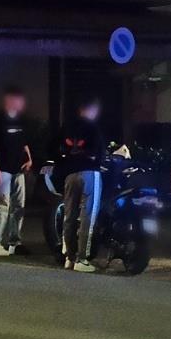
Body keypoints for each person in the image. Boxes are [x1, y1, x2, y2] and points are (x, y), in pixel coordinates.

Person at [57, 95, 105, 273]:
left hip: (70, 175)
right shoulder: (93, 128)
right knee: (88, 217)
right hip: (90, 173)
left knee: (69, 216)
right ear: (92, 110)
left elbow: (58, 148)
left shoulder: (67, 127)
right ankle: (82, 258)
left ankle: (69, 258)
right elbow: (99, 153)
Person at [0, 86, 32, 257]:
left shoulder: (20, 120)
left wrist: (29, 158)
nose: (21, 103)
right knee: (2, 206)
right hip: (3, 170)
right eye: (18, 100)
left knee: (18, 207)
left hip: (18, 170)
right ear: (9, 100)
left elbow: (24, 142)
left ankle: (14, 243)